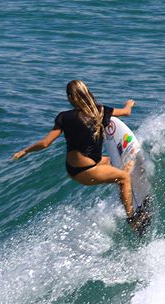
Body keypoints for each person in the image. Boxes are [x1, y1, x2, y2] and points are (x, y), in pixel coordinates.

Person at [12, 80, 148, 232]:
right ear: (87, 92)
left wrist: (25, 150)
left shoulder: (63, 117)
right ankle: (132, 219)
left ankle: (121, 186)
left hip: (73, 168)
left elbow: (45, 143)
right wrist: (129, 104)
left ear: (70, 98)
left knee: (111, 161)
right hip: (88, 170)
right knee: (124, 178)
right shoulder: (100, 111)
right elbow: (126, 112)